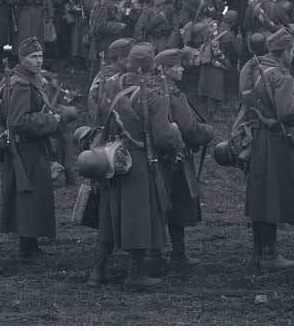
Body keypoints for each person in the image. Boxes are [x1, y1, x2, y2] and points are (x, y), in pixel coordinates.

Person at [89, 42, 183, 290]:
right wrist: (176, 136)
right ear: (150, 67)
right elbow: (163, 136)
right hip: (140, 159)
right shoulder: (153, 93)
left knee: (109, 214)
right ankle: (135, 274)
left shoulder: (110, 85)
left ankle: (98, 272)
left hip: (111, 155)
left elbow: (99, 116)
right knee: (140, 216)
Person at [242, 28, 294, 270]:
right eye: (292, 51)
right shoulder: (283, 78)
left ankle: (257, 252)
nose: (293, 56)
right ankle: (271, 255)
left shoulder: (253, 69)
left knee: (261, 194)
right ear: (285, 52)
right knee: (272, 195)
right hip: (278, 142)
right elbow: (287, 113)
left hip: (258, 138)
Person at [0, 37, 60, 262]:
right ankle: (27, 248)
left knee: (34, 198)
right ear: (22, 59)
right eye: (33, 57)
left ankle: (31, 244)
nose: (38, 60)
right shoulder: (22, 85)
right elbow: (17, 121)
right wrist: (51, 120)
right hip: (26, 150)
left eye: (40, 56)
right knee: (28, 198)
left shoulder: (31, 80)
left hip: (33, 147)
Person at [155, 49, 214, 271]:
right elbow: (190, 130)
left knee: (158, 207)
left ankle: (157, 252)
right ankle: (178, 254)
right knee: (178, 206)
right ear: (163, 69)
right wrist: (207, 132)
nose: (181, 68)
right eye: (176, 66)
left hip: (155, 159)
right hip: (175, 160)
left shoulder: (149, 89)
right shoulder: (173, 95)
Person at [197, 12, 243, 116]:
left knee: (206, 82)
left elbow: (199, 40)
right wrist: (239, 39)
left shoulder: (210, 28)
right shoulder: (229, 35)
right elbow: (238, 51)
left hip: (206, 59)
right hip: (219, 62)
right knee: (215, 86)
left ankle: (205, 104)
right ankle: (213, 112)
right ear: (233, 23)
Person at [88, 0, 132, 81]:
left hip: (110, 40)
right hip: (105, 42)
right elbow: (100, 26)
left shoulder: (110, 1)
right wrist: (119, 26)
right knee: (105, 68)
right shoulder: (103, 5)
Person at [87, 37, 135, 123]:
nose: (135, 60)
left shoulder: (109, 71)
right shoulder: (114, 79)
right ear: (120, 59)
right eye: (132, 57)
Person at [67, 0, 99, 70]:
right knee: (85, 39)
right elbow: (90, 4)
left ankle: (77, 62)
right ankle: (86, 64)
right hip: (86, 17)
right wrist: (95, 15)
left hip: (80, 15)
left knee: (78, 38)